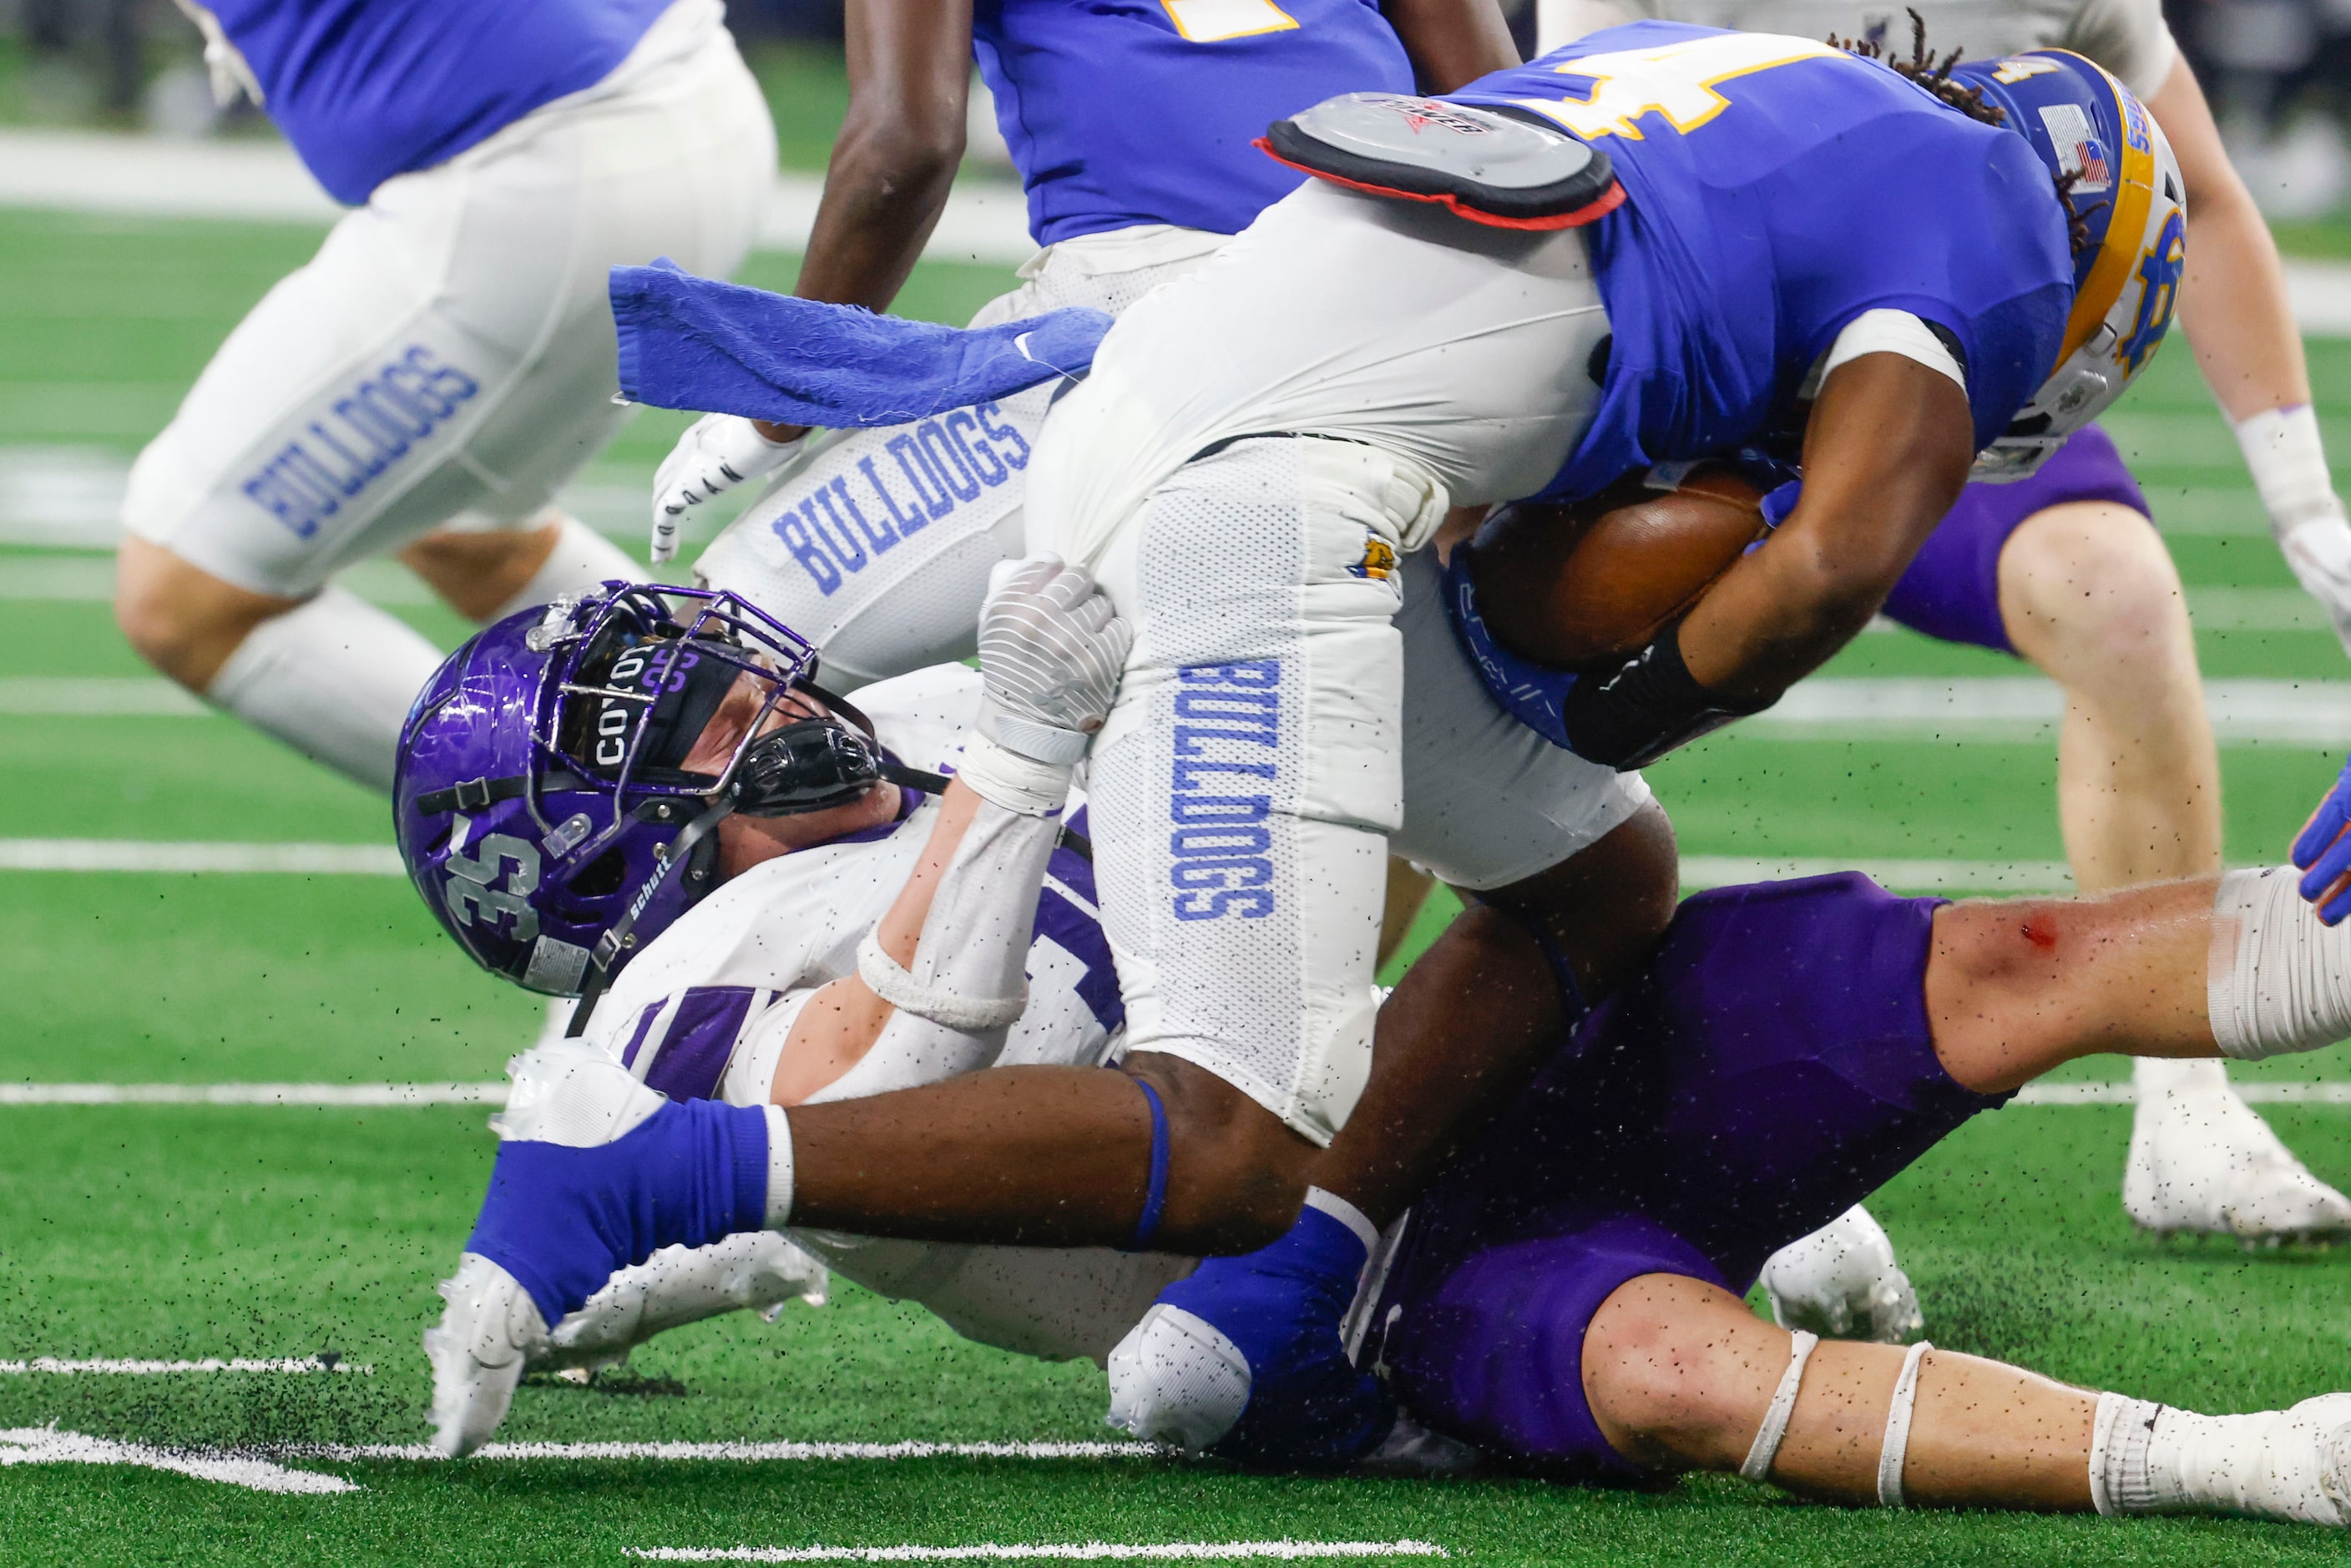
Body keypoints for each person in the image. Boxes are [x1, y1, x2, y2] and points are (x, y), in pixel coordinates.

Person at [409, 28, 2185, 1458]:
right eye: (718, 722)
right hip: (1258, 486)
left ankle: (1325, 1246)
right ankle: (677, 1181)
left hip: (1221, 396)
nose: (781, 713)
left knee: (1598, 874)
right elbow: (1827, 567)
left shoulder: (1721, 70)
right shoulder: (1979, 224)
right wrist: (1616, 691)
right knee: (1228, 1129)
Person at [423, 635, 2351, 1523]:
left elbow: (1339, 784)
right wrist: (1015, 773)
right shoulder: (686, 1000)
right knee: (1677, 1370)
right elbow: (868, 1078)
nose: (768, 702)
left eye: (721, 667)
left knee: (2000, 958)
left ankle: (2321, 923)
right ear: (608, 848)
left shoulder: (929, 699)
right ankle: (2264, 1462)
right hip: (1354, 1286)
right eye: (695, 716)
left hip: (1481, 1033)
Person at [1525, 0, 2351, 1246]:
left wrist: (2305, 508)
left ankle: (2188, 1103)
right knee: (1515, 662)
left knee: (2116, 596)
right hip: (1712, 377)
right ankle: (1471, 1083)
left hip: (1942, 378)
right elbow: (1568, 176)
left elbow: (2206, 196)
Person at [112, 0, 775, 791]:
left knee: (184, 594)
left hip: (546, 160)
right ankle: (810, 744)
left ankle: (659, 843)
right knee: (470, 535)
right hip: (690, 99)